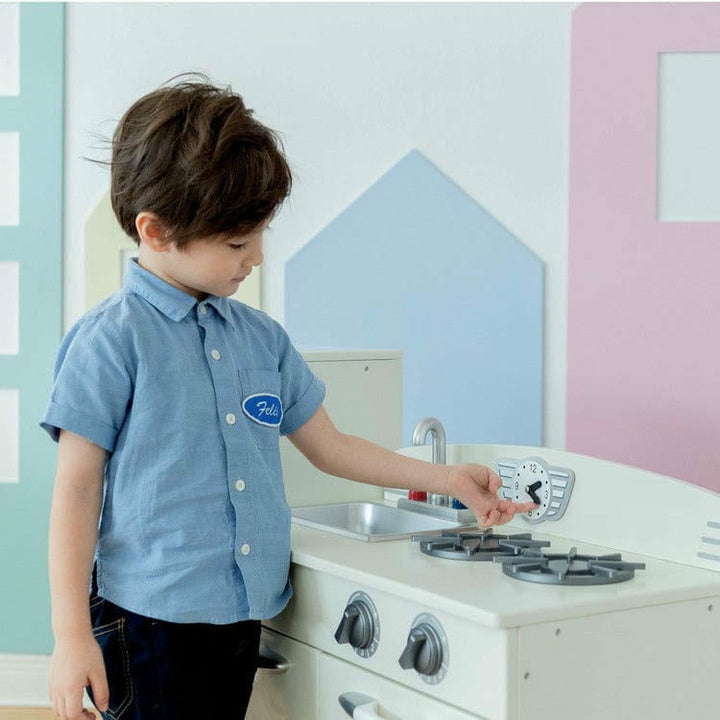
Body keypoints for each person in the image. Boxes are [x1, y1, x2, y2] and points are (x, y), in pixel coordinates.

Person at [41, 75, 535, 720]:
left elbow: (332, 447)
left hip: (242, 613)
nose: (256, 257)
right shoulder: (110, 340)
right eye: (237, 243)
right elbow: (76, 490)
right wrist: (70, 636)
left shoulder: (261, 338)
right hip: (149, 622)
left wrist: (447, 478)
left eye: (261, 234)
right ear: (156, 232)